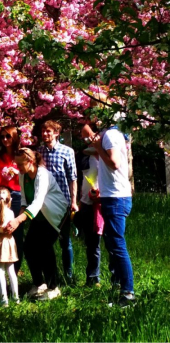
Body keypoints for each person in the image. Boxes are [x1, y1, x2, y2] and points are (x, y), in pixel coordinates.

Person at [80, 120, 135, 307]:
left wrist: (96, 144)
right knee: (113, 245)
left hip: (116, 198)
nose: (93, 116)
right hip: (112, 197)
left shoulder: (111, 135)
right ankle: (120, 288)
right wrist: (94, 143)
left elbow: (114, 163)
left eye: (96, 111)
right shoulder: (110, 134)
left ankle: (128, 293)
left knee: (118, 246)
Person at [4, 147, 69, 301]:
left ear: (31, 161)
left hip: (56, 215)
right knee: (29, 247)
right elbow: (25, 202)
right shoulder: (23, 175)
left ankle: (54, 287)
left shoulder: (42, 174)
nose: (17, 168)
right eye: (17, 164)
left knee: (45, 247)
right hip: (38, 216)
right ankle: (39, 284)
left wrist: (18, 220)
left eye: (20, 165)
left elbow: (38, 201)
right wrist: (16, 219)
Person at [37, 120, 77, 284]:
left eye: (49, 131)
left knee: (65, 241)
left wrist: (73, 201)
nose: (45, 134)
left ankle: (69, 275)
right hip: (45, 204)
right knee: (45, 241)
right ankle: (51, 276)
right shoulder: (39, 152)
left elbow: (72, 178)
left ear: (56, 133)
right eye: (44, 131)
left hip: (63, 203)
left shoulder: (67, 152)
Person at [0, 126, 25, 277]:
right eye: (2, 137)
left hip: (16, 196)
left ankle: (14, 273)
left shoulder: (21, 154)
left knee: (15, 233)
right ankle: (0, 275)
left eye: (8, 136)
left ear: (15, 137)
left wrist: (17, 171)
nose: (5, 140)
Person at [76, 152, 104, 286]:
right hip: (87, 205)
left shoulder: (109, 155)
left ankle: (117, 280)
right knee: (92, 245)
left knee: (113, 244)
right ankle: (93, 278)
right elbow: (80, 179)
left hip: (106, 204)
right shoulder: (84, 156)